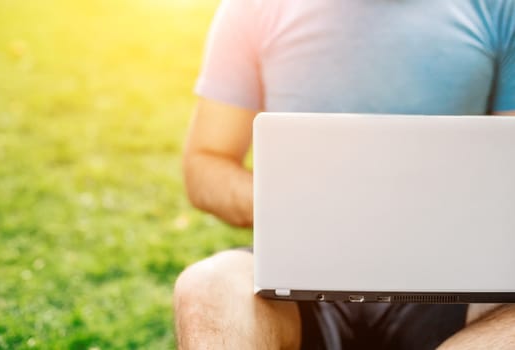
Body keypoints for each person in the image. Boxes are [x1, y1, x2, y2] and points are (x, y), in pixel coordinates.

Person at [174, 0, 515, 348]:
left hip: (452, 280)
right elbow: (207, 162)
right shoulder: (254, 8)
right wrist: (297, 210)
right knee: (207, 286)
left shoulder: (498, 8)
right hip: (299, 272)